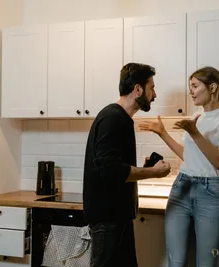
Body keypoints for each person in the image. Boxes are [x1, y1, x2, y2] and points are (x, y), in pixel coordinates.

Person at [139, 66, 219, 267]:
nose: (191, 91)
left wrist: (194, 132)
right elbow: (189, 156)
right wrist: (162, 133)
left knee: (206, 263)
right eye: (190, 87)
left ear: (212, 87)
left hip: (210, 191)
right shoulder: (196, 117)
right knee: (175, 262)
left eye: (195, 86)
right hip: (182, 187)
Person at [83, 62, 172, 267]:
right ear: (138, 89)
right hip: (108, 219)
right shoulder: (113, 118)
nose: (155, 94)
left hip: (117, 218)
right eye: (152, 87)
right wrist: (153, 172)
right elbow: (111, 171)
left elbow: (112, 167)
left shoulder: (119, 118)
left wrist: (145, 166)